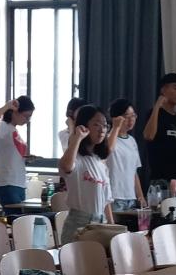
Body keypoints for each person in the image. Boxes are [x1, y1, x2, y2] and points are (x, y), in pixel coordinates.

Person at [58, 105, 114, 244]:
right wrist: (77, 138)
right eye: (96, 124)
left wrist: (113, 228)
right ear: (84, 126)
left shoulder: (100, 162)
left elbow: (106, 201)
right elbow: (66, 166)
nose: (102, 129)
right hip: (79, 224)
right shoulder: (76, 158)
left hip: (100, 223)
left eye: (105, 125)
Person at [143, 73, 176, 197]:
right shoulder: (154, 113)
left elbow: (171, 144)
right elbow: (148, 136)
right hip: (161, 179)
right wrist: (157, 107)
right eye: (175, 88)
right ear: (163, 89)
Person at [0, 96, 35, 210]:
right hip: (7, 182)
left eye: (29, 117)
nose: (27, 120)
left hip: (19, 183)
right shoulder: (3, 126)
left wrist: (27, 158)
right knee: (15, 217)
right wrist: (7, 106)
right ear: (15, 112)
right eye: (26, 116)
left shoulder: (14, 130)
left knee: (19, 217)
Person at [106, 98, 145, 211]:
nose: (131, 120)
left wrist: (140, 196)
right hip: (113, 196)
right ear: (116, 118)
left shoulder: (132, 141)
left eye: (133, 116)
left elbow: (134, 172)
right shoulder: (106, 138)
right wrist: (115, 127)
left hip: (130, 198)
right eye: (126, 116)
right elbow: (108, 150)